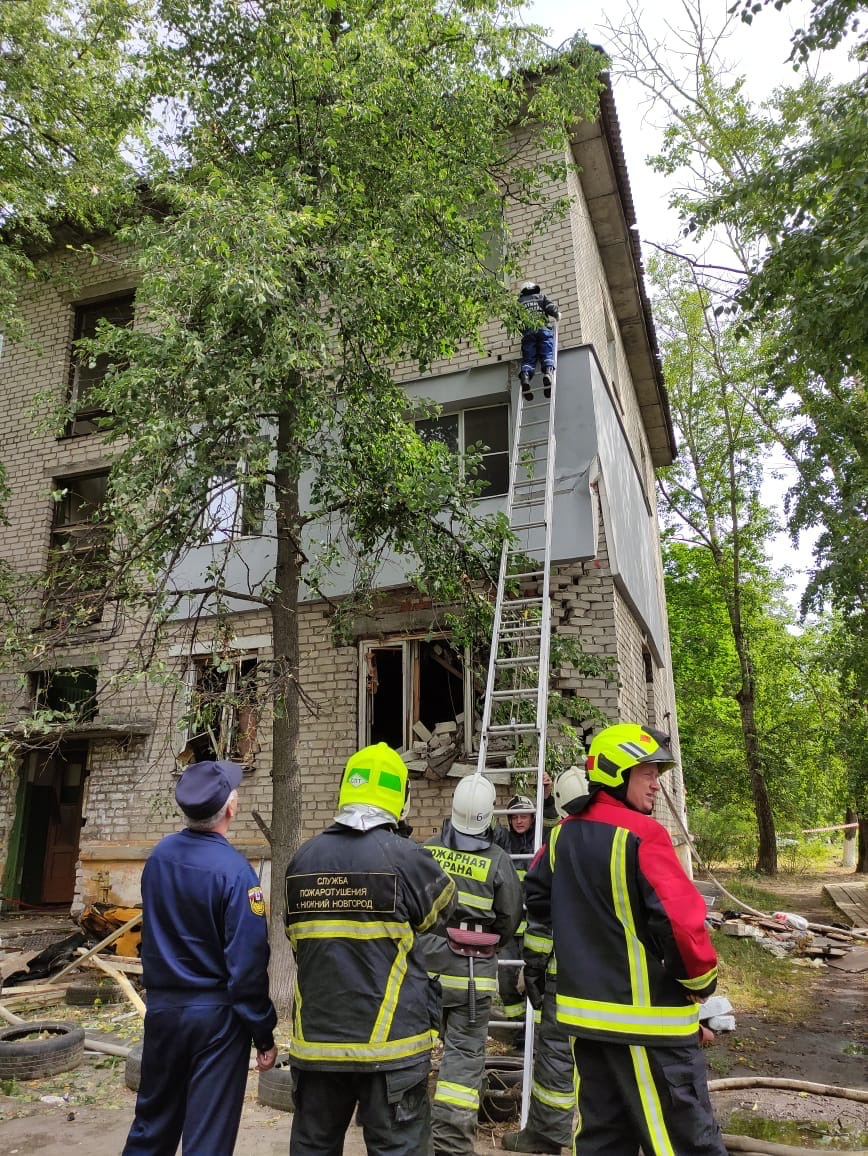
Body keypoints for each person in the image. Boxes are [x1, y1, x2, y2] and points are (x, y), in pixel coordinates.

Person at [524, 724, 727, 1156]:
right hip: (648, 1027)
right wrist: (702, 988)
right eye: (648, 773)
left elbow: (536, 899)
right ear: (617, 773)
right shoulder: (644, 835)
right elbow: (682, 924)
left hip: (586, 1023)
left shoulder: (560, 836)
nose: (656, 783)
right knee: (685, 1143)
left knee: (602, 1140)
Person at [284, 743, 455, 1156]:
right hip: (391, 1051)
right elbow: (442, 915)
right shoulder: (407, 858)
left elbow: (296, 940)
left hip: (317, 1049)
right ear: (400, 798)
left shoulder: (301, 860)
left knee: (313, 1148)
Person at [123, 759, 278, 1156]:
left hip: (163, 1011)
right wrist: (263, 1033)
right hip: (216, 1021)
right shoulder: (237, 874)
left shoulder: (160, 857)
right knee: (206, 1138)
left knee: (151, 1126)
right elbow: (247, 966)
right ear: (230, 807)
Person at [422, 775, 523, 1156]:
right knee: (462, 1064)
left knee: (414, 1051)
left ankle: (402, 1131)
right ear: (487, 817)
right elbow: (509, 919)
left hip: (427, 971)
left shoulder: (428, 850)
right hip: (472, 976)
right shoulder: (497, 861)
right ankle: (449, 1145)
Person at [501, 765, 589, 1154]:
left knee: (555, 1054)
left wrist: (534, 966)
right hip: (613, 979)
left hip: (559, 971)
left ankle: (551, 1136)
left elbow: (542, 911)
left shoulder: (558, 843)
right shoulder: (631, 835)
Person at [492, 794, 536, 1033]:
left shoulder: (540, 839)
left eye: (524, 816)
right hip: (509, 928)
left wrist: (547, 798)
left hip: (533, 927)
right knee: (507, 980)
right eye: (515, 817)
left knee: (534, 979)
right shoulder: (503, 840)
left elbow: (551, 821)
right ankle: (518, 1032)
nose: (519, 821)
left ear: (532, 818)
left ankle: (535, 1032)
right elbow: (486, 827)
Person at [517, 281, 560, 400]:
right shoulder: (541, 297)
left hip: (528, 333)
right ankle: (547, 373)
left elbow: (515, 320)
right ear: (535, 289)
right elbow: (551, 307)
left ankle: (525, 377)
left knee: (528, 358)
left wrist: (523, 330)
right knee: (547, 353)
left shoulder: (519, 302)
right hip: (543, 330)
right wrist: (557, 314)